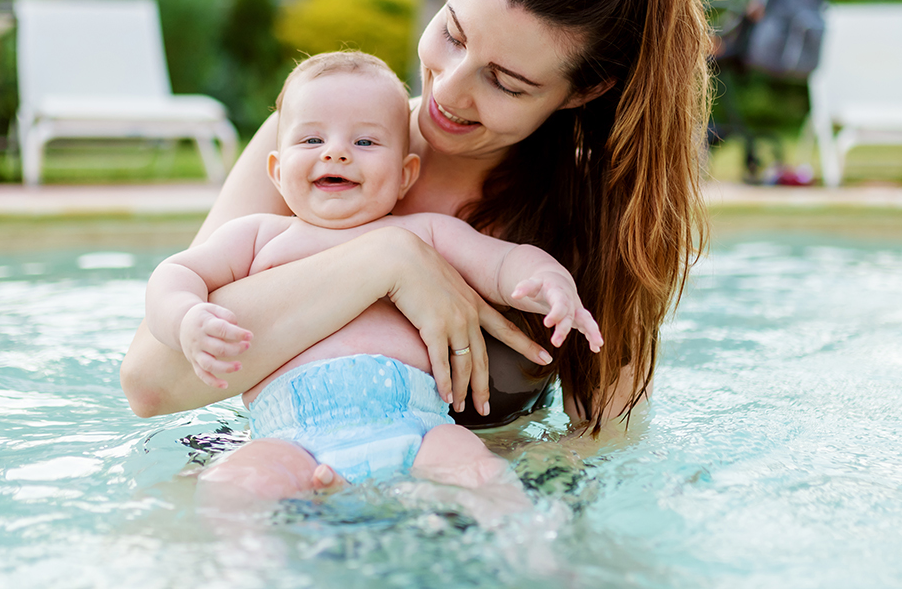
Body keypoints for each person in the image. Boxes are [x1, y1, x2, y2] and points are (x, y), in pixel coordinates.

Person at [122, 0, 711, 440]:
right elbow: (152, 385)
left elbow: (605, 440)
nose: (448, 90)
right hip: (294, 482)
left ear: (583, 91)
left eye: (506, 82)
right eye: (453, 33)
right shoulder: (307, 147)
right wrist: (390, 261)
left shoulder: (601, 211)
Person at [147, 51, 603, 496]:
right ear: (276, 168)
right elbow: (177, 273)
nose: (337, 154)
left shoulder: (425, 232)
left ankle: (533, 556)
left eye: (364, 142)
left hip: (418, 431)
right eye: (311, 141)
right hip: (289, 441)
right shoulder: (258, 237)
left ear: (405, 176)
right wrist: (186, 318)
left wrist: (550, 280)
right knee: (237, 482)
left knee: (479, 472)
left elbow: (502, 262)